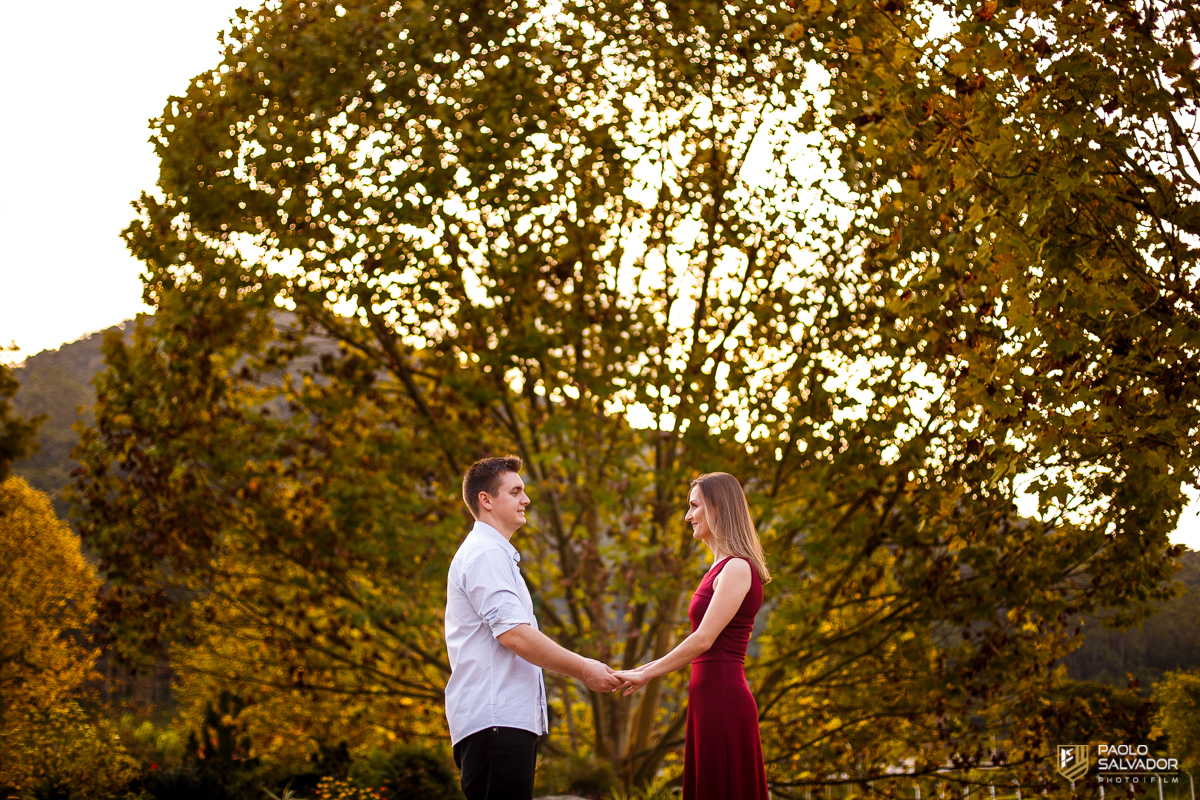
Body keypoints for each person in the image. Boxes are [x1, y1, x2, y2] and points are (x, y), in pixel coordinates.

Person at [444, 455, 623, 800]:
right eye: (515, 492)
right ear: (487, 501)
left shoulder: (493, 554)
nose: (526, 499)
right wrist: (584, 669)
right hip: (496, 723)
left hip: (500, 724)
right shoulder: (484, 554)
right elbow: (514, 634)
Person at [614, 472, 771, 800]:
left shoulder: (737, 568)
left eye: (694, 506)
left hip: (724, 697)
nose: (688, 516)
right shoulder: (718, 569)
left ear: (718, 508)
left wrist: (645, 673)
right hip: (708, 697)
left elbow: (703, 640)